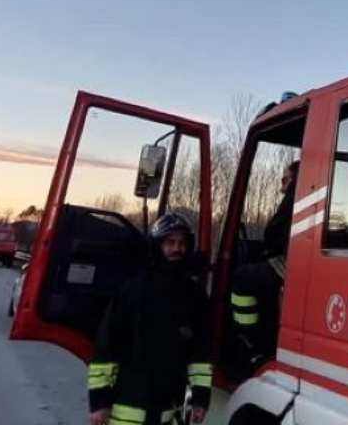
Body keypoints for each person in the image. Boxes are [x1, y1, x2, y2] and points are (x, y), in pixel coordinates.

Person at [87, 212, 211, 425]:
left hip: (169, 412)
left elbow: (200, 354)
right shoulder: (133, 290)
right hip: (126, 412)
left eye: (182, 243)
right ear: (157, 246)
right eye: (170, 242)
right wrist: (99, 402)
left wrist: (200, 399)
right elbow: (107, 348)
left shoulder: (195, 295)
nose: (176, 249)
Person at [228, 160, 299, 374]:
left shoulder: (292, 200)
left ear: (296, 179)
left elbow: (273, 233)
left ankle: (248, 337)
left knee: (242, 277)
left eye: (285, 179)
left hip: (289, 264)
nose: (282, 183)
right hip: (293, 260)